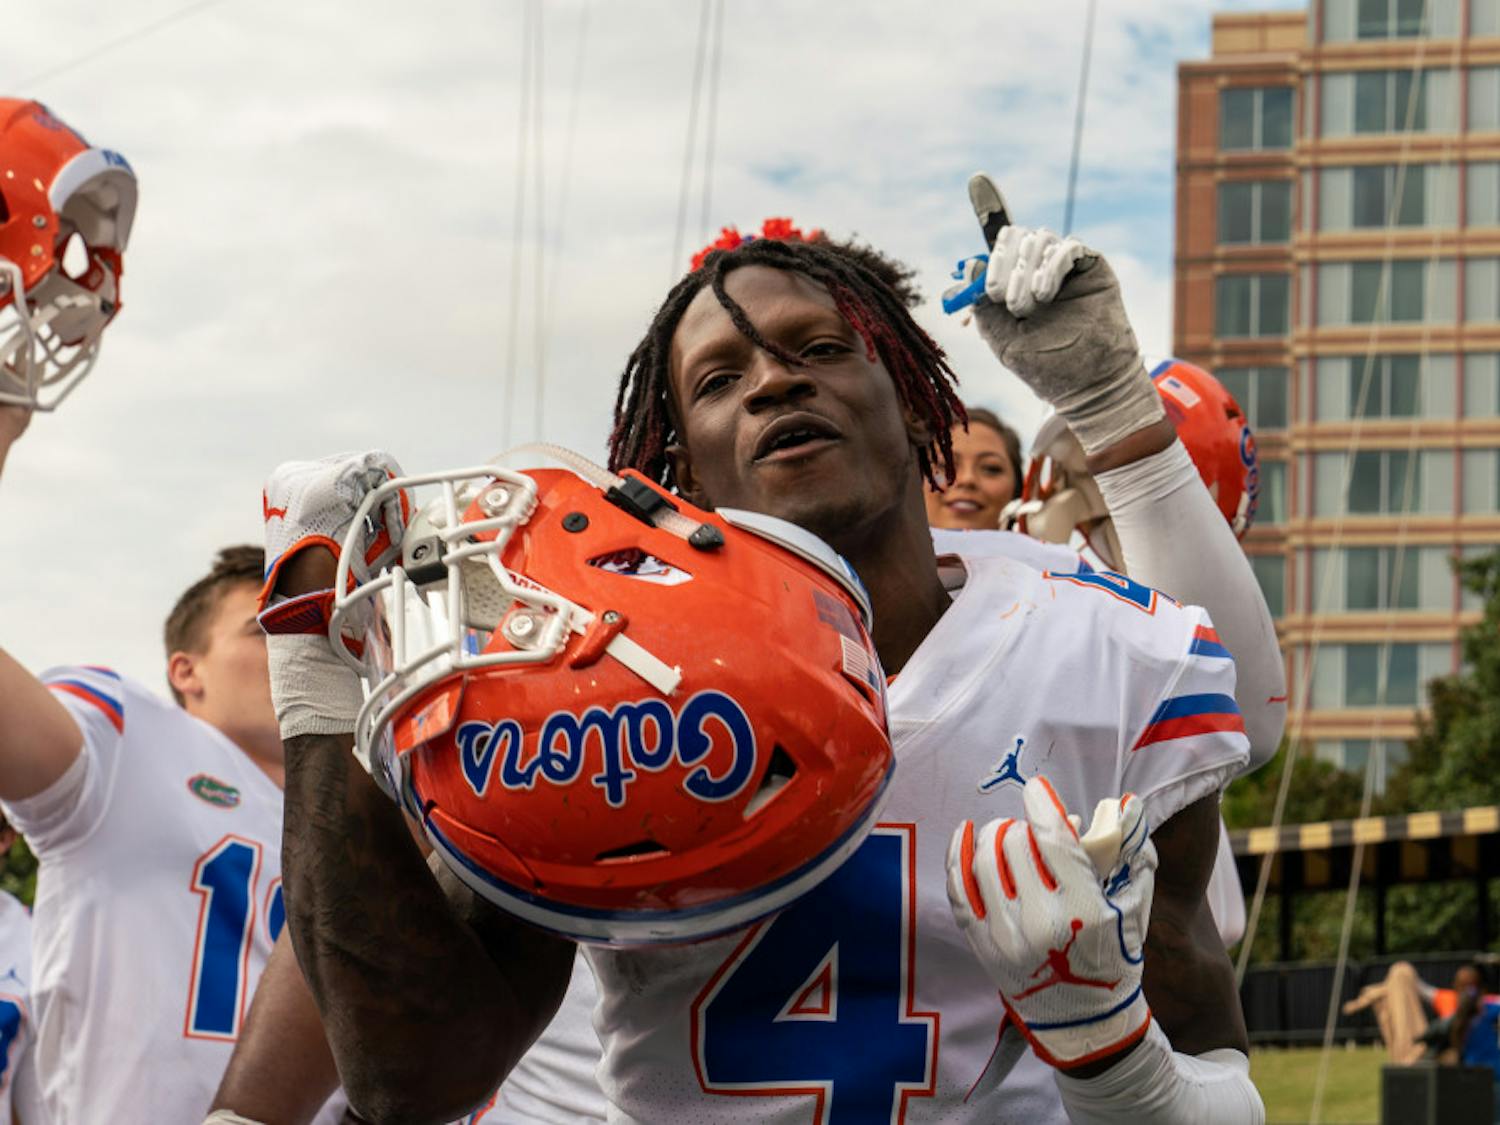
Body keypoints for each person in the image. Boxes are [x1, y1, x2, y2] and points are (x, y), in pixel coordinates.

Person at [248, 182, 1270, 1123]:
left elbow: (1225, 1086)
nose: (776, 381)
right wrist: (315, 681)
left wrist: (1110, 1052)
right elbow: (412, 1076)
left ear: (915, 397)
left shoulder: (1105, 647)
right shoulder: (589, 671)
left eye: (820, 349)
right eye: (720, 379)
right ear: (676, 464)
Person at [923, 405, 1023, 531]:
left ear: (1017, 489)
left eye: (990, 468)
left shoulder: (1048, 550)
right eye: (944, 465)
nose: (967, 479)